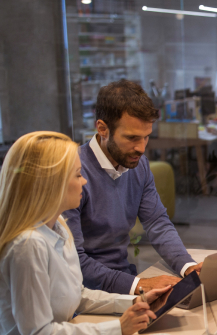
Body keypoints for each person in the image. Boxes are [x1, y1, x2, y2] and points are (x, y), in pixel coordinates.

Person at [0, 132, 170, 335]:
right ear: (51, 183)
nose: (85, 182)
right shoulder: (27, 245)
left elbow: (76, 295)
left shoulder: (59, 227)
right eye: (78, 175)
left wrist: (135, 302)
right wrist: (117, 329)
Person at [64, 79, 202, 295]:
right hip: (83, 293)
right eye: (132, 138)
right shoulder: (73, 173)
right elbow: (72, 258)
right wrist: (136, 285)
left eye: (146, 137)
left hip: (123, 282)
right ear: (102, 129)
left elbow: (157, 222)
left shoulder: (139, 166)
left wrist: (187, 266)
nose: (141, 147)